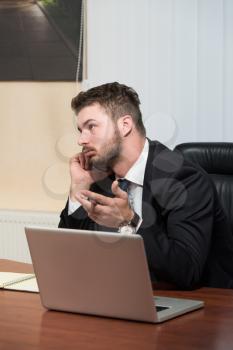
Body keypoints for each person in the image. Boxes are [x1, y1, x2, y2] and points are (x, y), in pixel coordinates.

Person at [59, 82, 233, 289]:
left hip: (193, 305)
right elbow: (68, 256)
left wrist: (130, 221)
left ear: (125, 125)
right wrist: (79, 187)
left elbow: (186, 270)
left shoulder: (184, 178)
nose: (81, 140)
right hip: (122, 295)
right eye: (80, 130)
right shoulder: (101, 175)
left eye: (91, 127)